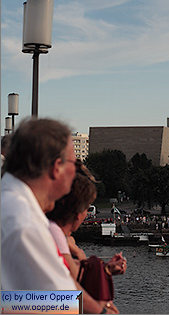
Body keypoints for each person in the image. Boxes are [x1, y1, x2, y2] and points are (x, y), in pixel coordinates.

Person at [1, 118, 82, 292]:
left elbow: (10, 300)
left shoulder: (9, 203)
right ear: (56, 167)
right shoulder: (26, 224)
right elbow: (58, 302)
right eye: (74, 163)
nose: (75, 170)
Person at [44, 168, 117, 313]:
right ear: (78, 214)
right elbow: (70, 281)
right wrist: (102, 310)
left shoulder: (54, 232)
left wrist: (106, 270)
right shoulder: (53, 232)